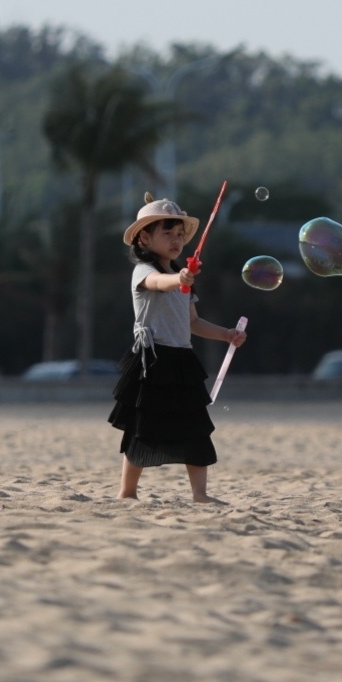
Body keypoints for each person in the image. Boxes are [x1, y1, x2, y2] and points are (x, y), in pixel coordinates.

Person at [108, 196, 247, 503]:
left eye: (180, 235)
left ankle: (200, 494)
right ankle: (127, 491)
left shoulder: (184, 278)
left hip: (182, 359)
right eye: (167, 233)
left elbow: (193, 323)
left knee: (195, 427)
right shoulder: (144, 271)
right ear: (145, 237)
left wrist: (226, 334)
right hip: (153, 359)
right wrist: (179, 278)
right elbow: (158, 283)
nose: (176, 240)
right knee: (142, 428)